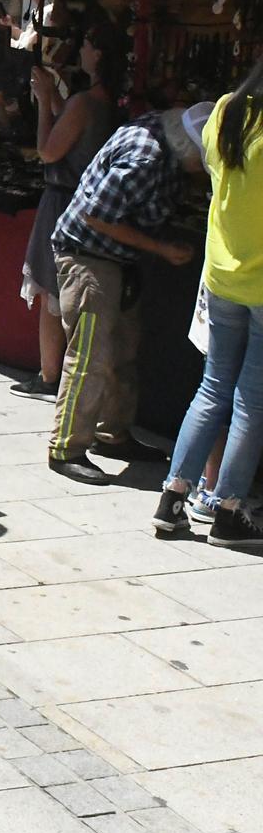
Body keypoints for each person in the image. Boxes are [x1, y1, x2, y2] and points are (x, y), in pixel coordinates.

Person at [48, 105, 208, 485]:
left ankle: (112, 434)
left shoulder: (161, 136)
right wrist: (160, 248)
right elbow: (95, 214)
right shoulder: (147, 155)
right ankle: (65, 447)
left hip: (116, 260)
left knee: (122, 351)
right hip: (89, 257)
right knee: (89, 356)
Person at [153, 67, 263, 545]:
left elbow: (194, 120)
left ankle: (173, 497)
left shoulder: (224, 114)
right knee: (250, 400)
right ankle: (229, 509)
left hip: (221, 275)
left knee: (213, 387)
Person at [13, 28, 120, 399]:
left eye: (89, 44)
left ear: (100, 56)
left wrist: (44, 100)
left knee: (50, 290)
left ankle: (47, 375)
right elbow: (71, 124)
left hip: (64, 200)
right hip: (90, 201)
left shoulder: (87, 103)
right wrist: (57, 97)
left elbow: (48, 150)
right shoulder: (105, 102)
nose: (82, 49)